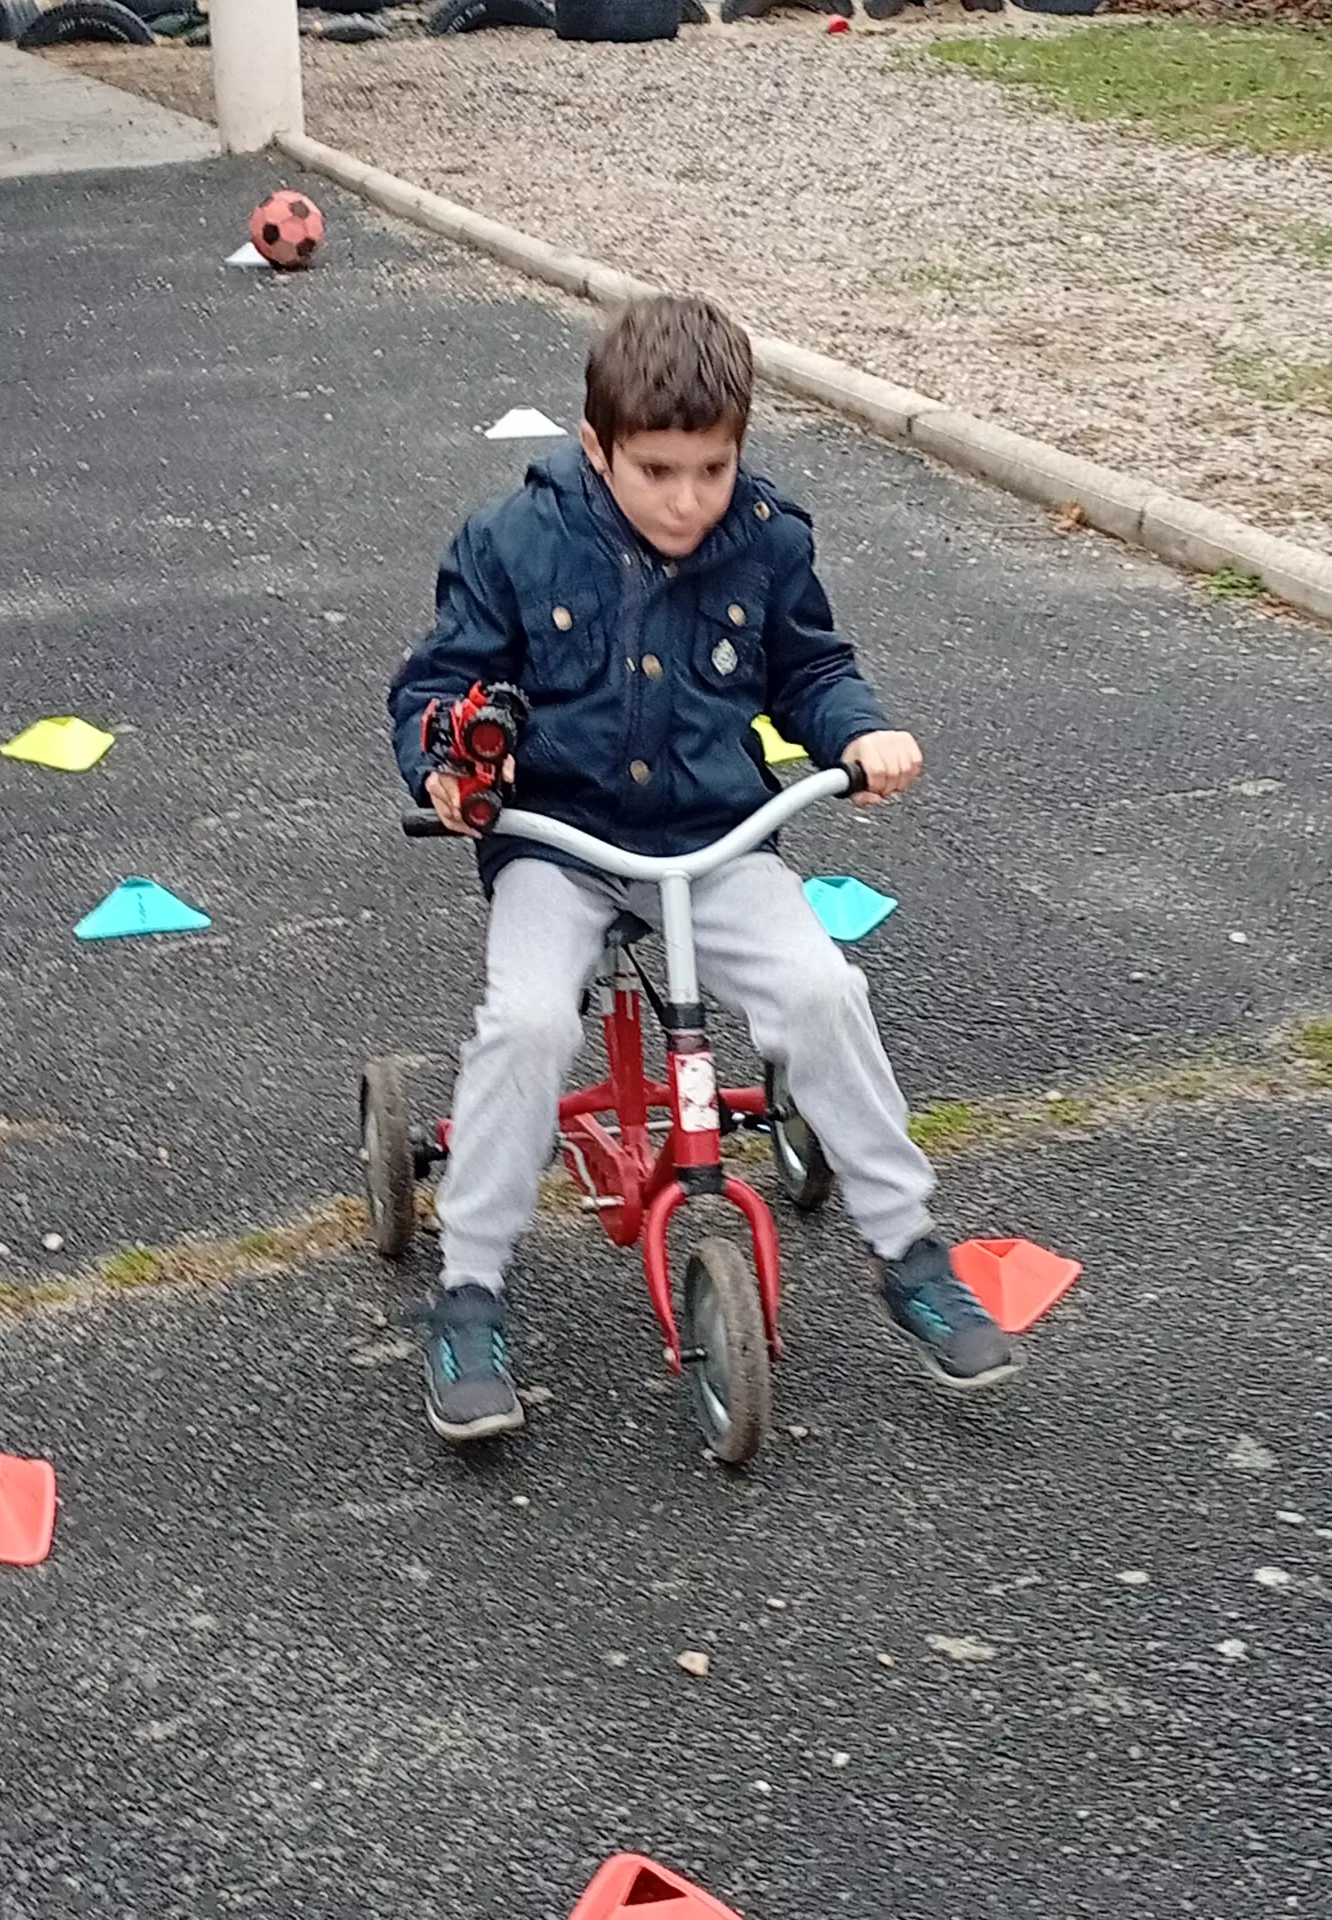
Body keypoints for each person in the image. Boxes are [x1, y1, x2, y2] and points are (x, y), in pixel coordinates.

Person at [389, 293, 1020, 1444]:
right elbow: (437, 691)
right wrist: (444, 761)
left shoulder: (767, 542)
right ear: (596, 448)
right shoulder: (511, 545)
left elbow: (812, 671)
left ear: (740, 449)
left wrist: (857, 733)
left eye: (713, 469)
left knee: (824, 991)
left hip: (714, 840)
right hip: (560, 841)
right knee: (527, 1022)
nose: (687, 500)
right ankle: (471, 1288)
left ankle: (909, 1249)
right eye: (657, 470)